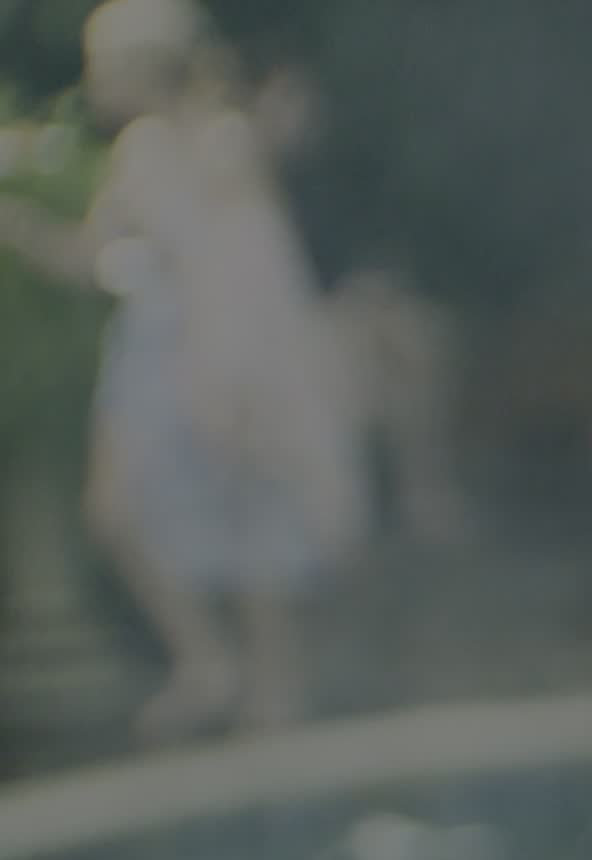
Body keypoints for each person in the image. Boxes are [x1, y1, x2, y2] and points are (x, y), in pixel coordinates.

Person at [0, 0, 366, 740]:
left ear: (146, 69)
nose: (94, 84)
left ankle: (274, 691)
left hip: (227, 347)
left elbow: (251, 263)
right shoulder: (140, 148)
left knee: (252, 506)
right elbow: (92, 261)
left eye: (105, 68)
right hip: (151, 347)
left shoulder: (220, 141)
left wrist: (234, 373)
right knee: (115, 511)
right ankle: (208, 660)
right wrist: (16, 223)